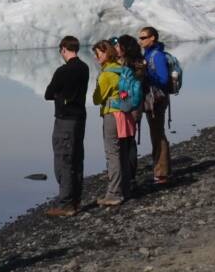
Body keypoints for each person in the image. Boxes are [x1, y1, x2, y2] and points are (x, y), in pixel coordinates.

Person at [43, 36, 90, 217]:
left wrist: (59, 94)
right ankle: (75, 200)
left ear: (63, 49)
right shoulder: (84, 68)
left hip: (65, 120)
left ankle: (66, 204)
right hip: (80, 118)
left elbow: (48, 93)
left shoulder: (63, 71)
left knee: (63, 161)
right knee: (77, 158)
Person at [91, 39, 137, 206]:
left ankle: (114, 193)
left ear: (106, 53)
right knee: (123, 152)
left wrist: (97, 89)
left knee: (113, 153)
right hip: (125, 114)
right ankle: (125, 189)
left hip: (112, 115)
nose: (97, 58)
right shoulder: (122, 69)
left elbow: (97, 99)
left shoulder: (106, 74)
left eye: (98, 54)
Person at [138, 26, 174, 185]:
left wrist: (146, 74)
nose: (141, 41)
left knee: (158, 134)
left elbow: (164, 79)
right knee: (156, 133)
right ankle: (161, 170)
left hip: (157, 100)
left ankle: (162, 173)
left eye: (144, 37)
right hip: (153, 99)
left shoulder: (157, 56)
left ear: (153, 38)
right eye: (140, 38)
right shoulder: (149, 54)